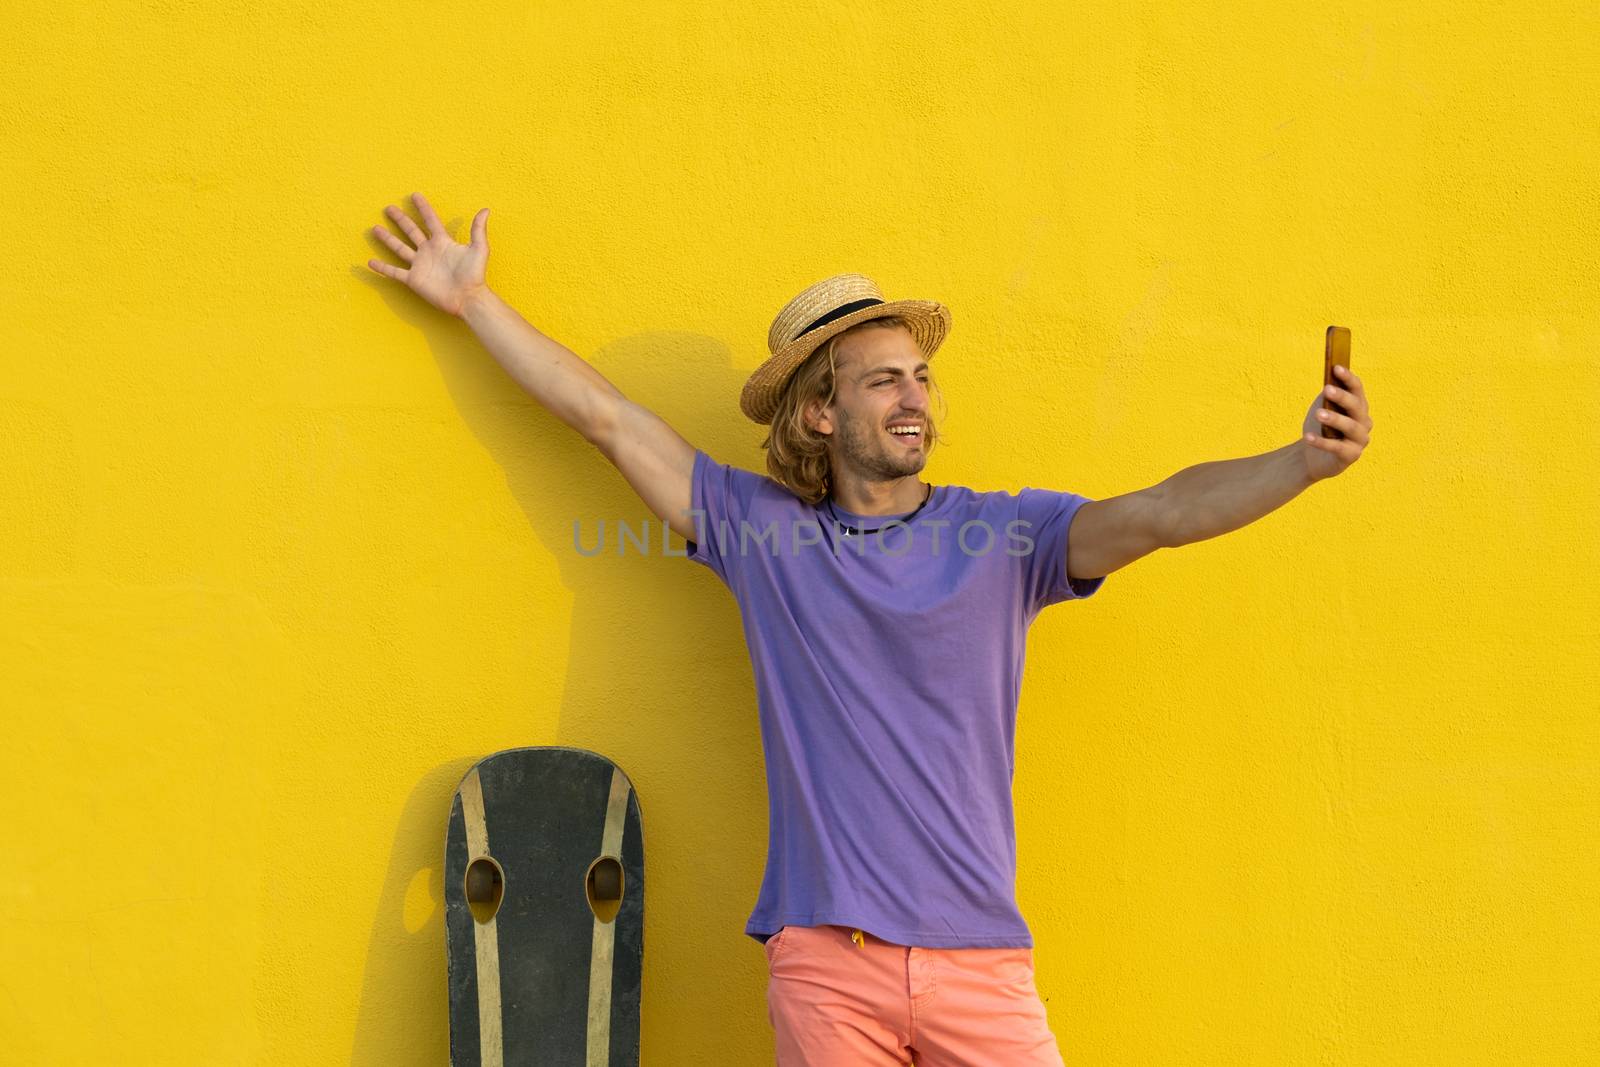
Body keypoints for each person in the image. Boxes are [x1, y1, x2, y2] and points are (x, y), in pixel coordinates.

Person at [367, 193, 1373, 1065]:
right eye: (884, 378)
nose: (916, 396)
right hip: (826, 964)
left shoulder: (1006, 536)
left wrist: (1300, 462)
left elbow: (1162, 509)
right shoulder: (760, 534)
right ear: (817, 411)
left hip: (980, 957)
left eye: (921, 377)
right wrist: (472, 300)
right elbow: (607, 418)